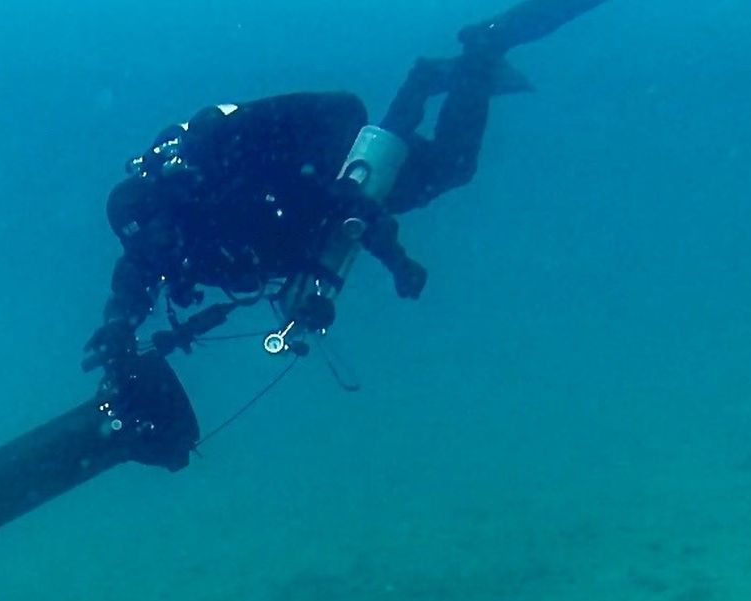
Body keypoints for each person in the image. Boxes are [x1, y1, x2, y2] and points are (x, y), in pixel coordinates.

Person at [82, 0, 610, 374]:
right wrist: (117, 325)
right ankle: (425, 79)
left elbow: (348, 205)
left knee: (451, 167)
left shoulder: (231, 200)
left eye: (161, 239)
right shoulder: (167, 245)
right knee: (399, 159)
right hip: (325, 180)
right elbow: (133, 277)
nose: (162, 255)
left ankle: (482, 49)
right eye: (150, 248)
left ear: (174, 211)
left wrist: (398, 262)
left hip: (326, 161)